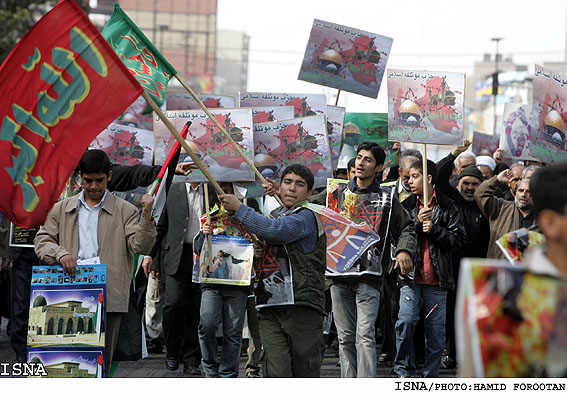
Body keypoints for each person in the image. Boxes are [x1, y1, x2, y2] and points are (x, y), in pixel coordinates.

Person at [34, 150, 157, 376]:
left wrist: (147, 217)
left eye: (99, 180)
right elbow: (42, 241)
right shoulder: (61, 208)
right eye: (88, 180)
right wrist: (60, 253)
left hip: (107, 294)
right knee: (64, 361)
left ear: (109, 176)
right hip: (67, 291)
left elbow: (141, 246)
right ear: (80, 177)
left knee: (100, 364)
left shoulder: (126, 210)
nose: (93, 186)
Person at [219, 164, 326, 377]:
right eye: (287, 182)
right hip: (270, 305)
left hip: (301, 307)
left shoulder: (306, 217)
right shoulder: (276, 214)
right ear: (279, 186)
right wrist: (260, 249)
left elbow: (276, 231)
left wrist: (240, 208)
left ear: (309, 193)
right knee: (275, 372)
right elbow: (270, 237)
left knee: (304, 373)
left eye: (299, 184)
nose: (292, 188)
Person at [328, 142, 416, 378]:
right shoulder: (334, 194)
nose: (360, 163)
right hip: (338, 276)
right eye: (359, 157)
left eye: (367, 160)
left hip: (369, 276)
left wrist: (403, 251)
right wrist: (278, 194)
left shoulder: (387, 198)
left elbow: (407, 227)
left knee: (364, 335)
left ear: (378, 167)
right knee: (345, 337)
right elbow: (304, 205)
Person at [395, 160, 466, 378]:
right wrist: (416, 224)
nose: (409, 181)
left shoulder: (447, 205)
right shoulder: (405, 206)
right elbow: (396, 238)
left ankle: (430, 376)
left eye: (414, 176)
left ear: (427, 178)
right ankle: (403, 371)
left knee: (435, 332)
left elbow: (459, 239)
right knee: (406, 323)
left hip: (438, 279)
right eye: (408, 176)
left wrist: (435, 230)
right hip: (410, 277)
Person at [436, 142, 490, 369]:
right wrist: (453, 154)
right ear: (458, 185)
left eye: (474, 184)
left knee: (475, 316)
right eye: (466, 183)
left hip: (479, 269)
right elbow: (437, 178)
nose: (469, 188)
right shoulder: (453, 200)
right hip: (453, 267)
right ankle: (452, 354)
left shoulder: (488, 205)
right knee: (451, 313)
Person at [474, 168, 534, 260]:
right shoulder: (501, 207)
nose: (523, 194)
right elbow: (480, 194)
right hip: (500, 269)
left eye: (528, 191)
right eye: (520, 190)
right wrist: (497, 180)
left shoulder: (542, 217)